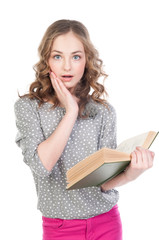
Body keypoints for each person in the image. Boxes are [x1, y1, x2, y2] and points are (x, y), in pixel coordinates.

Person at [14, 19, 155, 240]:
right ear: (47, 61)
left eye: (76, 56)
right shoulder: (29, 108)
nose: (67, 66)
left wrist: (132, 173)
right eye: (57, 56)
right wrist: (70, 111)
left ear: (86, 60)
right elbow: (42, 166)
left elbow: (104, 182)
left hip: (106, 222)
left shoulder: (103, 111)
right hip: (60, 228)